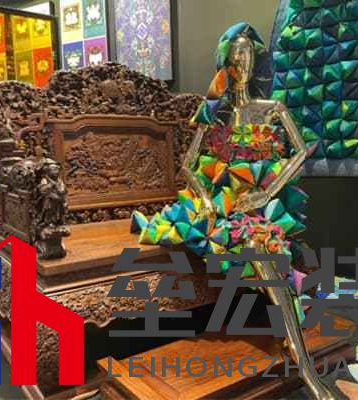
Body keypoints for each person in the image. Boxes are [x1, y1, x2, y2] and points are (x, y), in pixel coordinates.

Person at [132, 22, 334, 400]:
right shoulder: (215, 112)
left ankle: (299, 355)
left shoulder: (271, 109)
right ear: (224, 62)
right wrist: (207, 199)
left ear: (256, 61)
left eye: (247, 55)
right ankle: (301, 358)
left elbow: (299, 154)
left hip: (257, 207)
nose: (241, 63)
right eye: (234, 56)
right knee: (258, 248)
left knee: (264, 247)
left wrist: (265, 193)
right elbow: (188, 164)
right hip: (218, 205)